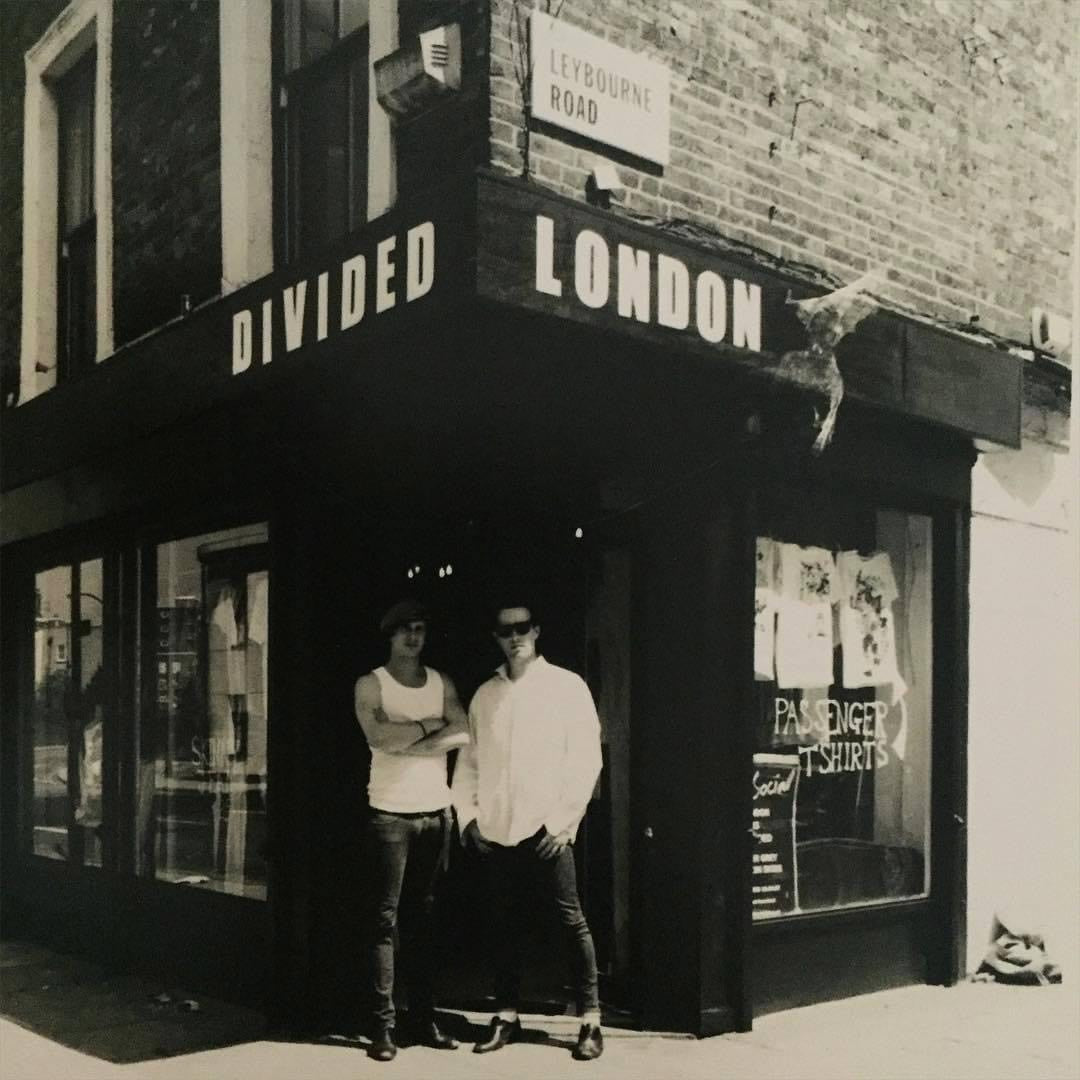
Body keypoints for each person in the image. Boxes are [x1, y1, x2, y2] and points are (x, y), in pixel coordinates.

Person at [452, 598, 604, 1061]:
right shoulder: (485, 695)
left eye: (522, 628)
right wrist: (468, 816)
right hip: (498, 827)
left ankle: (591, 1020)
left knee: (569, 919)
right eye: (504, 630)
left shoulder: (566, 687)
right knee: (503, 924)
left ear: (536, 630)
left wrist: (563, 822)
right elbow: (469, 761)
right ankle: (507, 1013)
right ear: (495, 637)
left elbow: (586, 758)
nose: (514, 637)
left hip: (547, 830)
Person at [354, 599, 470, 1062]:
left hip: (435, 812)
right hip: (390, 815)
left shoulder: (441, 682)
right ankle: (383, 1027)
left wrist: (411, 736)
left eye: (420, 629)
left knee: (425, 920)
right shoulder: (371, 683)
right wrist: (430, 725)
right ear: (390, 635)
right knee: (385, 921)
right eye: (404, 630)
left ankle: (423, 1019)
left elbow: (462, 730)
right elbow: (378, 738)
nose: (413, 637)